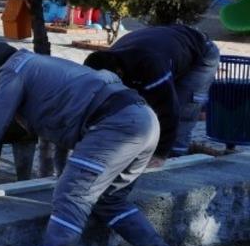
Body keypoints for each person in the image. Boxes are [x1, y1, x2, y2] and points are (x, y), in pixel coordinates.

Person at [0, 42, 189, 246]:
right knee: (110, 200)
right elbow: (72, 113)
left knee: (71, 196)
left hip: (115, 125)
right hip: (143, 119)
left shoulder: (11, 71)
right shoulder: (40, 64)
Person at [83, 25, 220, 161]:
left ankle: (175, 158)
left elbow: (169, 110)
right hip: (169, 48)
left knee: (184, 109)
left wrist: (160, 155)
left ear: (118, 73)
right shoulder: (107, 61)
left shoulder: (150, 66)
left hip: (201, 53)